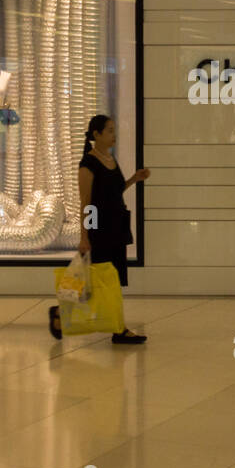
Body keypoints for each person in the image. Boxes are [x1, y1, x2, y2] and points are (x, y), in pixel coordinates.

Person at [49, 114, 151, 343]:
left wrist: (134, 179)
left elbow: (113, 193)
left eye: (114, 130)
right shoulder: (89, 163)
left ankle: (118, 329)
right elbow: (86, 202)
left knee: (111, 281)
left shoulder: (110, 160)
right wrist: (85, 236)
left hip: (117, 228)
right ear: (97, 135)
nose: (114, 135)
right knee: (94, 280)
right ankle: (60, 311)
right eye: (110, 131)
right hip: (99, 230)